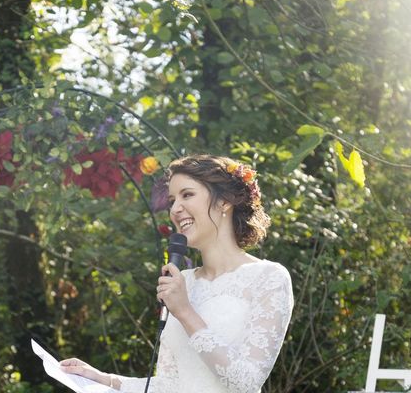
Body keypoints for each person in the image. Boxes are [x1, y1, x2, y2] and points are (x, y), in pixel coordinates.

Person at [60, 154, 294, 393]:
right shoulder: (186, 282)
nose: (175, 209)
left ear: (224, 201)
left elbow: (246, 382)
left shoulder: (269, 277)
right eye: (172, 200)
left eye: (187, 195)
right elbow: (168, 385)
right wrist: (105, 380)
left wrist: (184, 311)